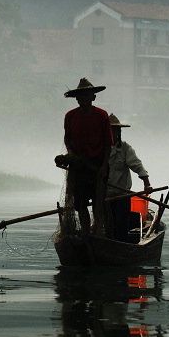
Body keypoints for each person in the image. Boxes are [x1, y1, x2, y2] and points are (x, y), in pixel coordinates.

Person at [62, 78, 114, 234]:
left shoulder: (101, 115)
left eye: (88, 95)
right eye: (81, 95)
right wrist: (70, 152)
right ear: (76, 98)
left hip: (98, 164)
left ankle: (98, 231)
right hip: (78, 164)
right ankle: (85, 232)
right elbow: (68, 138)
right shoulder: (70, 116)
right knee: (80, 203)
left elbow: (107, 144)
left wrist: (104, 166)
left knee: (98, 203)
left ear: (94, 97)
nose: (84, 98)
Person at [106, 114, 153, 242]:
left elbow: (137, 165)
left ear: (118, 132)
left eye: (114, 130)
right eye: (109, 130)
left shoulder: (125, 148)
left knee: (121, 228)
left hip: (122, 194)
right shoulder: (98, 148)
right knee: (105, 227)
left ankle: (120, 245)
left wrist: (146, 184)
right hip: (104, 196)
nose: (112, 133)